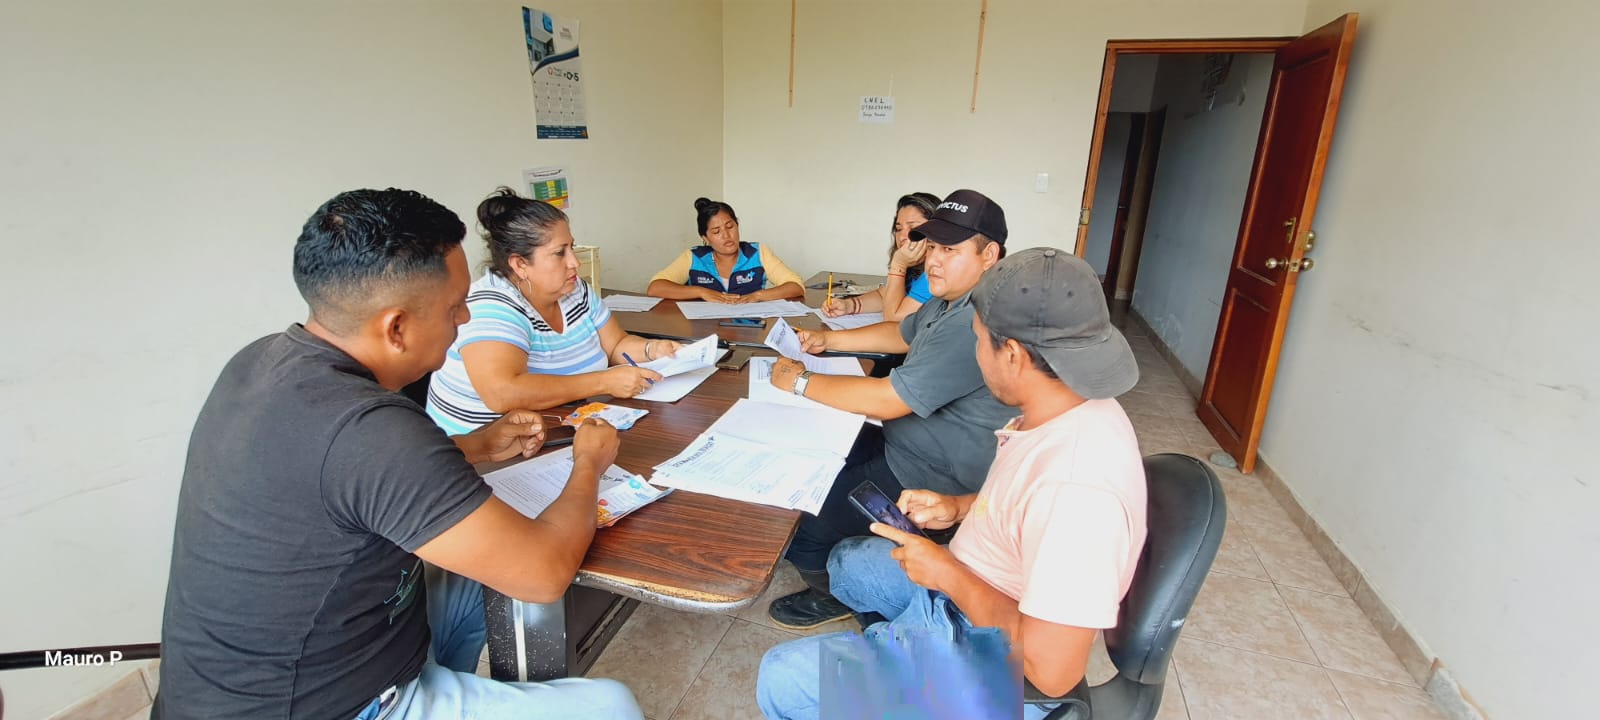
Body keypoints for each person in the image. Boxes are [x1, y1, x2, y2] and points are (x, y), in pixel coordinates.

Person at [154, 188, 643, 720]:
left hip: (255, 674)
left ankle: (451, 685)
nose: (465, 320)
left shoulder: (260, 360)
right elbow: (544, 574)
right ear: (396, 328)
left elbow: (341, 479)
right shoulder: (375, 432)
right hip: (319, 706)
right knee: (610, 706)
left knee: (479, 573)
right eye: (455, 307)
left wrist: (473, 446)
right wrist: (588, 463)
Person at [755, 247, 1149, 720]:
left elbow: (1051, 672)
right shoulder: (1065, 405)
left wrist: (946, 573)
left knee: (781, 678)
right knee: (847, 564)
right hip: (980, 584)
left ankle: (914, 678)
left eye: (978, 341)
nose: (975, 355)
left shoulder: (1078, 493)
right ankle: (897, 666)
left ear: (1013, 355)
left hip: (997, 661)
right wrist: (961, 507)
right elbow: (1023, 498)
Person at [763, 189, 1016, 629]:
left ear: (989, 254)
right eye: (932, 247)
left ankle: (842, 595)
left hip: (932, 475)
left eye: (950, 250)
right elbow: (901, 334)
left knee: (803, 531)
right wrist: (829, 339)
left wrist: (800, 381)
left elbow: (888, 400)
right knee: (812, 457)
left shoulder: (973, 320)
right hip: (903, 441)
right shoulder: (950, 299)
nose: (934, 260)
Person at [426, 188, 680, 435]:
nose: (574, 262)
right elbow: (502, 393)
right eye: (560, 253)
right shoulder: (489, 306)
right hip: (485, 449)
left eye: (572, 248)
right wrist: (604, 381)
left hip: (559, 428)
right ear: (520, 264)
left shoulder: (574, 289)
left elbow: (616, 346)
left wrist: (653, 349)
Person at [646, 197, 805, 303]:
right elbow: (655, 288)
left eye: (730, 227)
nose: (726, 235)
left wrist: (758, 296)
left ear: (737, 225)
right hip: (703, 332)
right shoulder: (693, 257)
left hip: (749, 330)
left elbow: (796, 286)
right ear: (705, 238)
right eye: (716, 231)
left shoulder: (757, 253)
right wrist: (701, 292)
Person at [822, 192, 940, 323]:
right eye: (898, 229)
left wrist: (898, 266)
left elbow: (892, 319)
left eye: (913, 228)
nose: (902, 237)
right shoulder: (915, 266)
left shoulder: (937, 271)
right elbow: (884, 295)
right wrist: (849, 305)